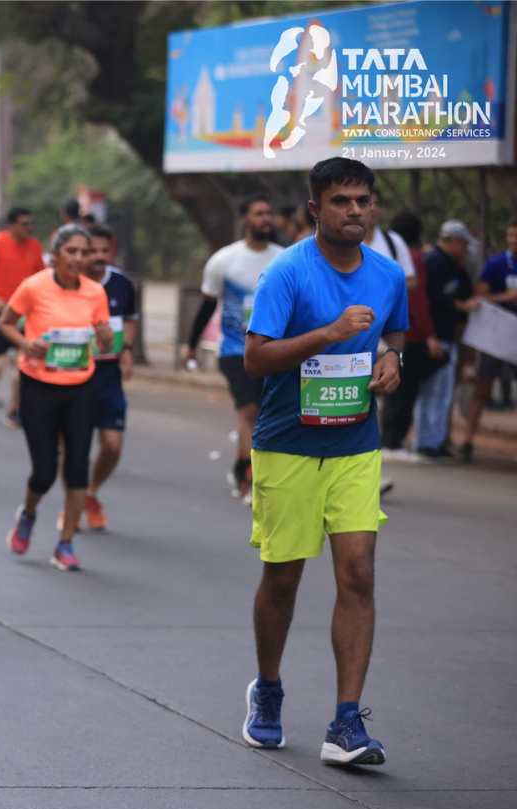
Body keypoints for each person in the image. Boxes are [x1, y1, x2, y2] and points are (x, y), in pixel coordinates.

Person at [241, 157, 406, 767]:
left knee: (358, 573)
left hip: (355, 445)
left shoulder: (388, 275)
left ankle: (345, 722)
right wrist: (329, 334)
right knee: (283, 576)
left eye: (363, 200)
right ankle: (269, 689)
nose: (355, 211)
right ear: (315, 208)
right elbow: (256, 360)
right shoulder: (285, 274)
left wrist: (392, 358)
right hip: (287, 445)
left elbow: (396, 336)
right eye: (341, 201)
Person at [0, 224, 113, 569]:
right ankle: (28, 513)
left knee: (78, 467)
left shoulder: (95, 293)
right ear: (56, 253)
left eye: (85, 252)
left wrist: (106, 336)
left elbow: (105, 343)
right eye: (72, 251)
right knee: (45, 470)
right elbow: (6, 322)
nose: (79, 259)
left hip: (80, 386)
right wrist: (26, 343)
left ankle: (65, 543)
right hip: (39, 386)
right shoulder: (34, 286)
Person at [184, 196, 283, 502]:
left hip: (275, 350)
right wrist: (191, 345)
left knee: (266, 413)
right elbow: (207, 305)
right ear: (245, 219)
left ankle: (244, 464)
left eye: (269, 213)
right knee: (249, 411)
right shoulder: (223, 261)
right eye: (258, 213)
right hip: (234, 350)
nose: (265, 219)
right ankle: (250, 475)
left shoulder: (285, 259)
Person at [82, 224, 137, 531]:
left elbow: (129, 321)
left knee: (113, 445)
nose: (99, 257)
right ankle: (72, 505)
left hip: (108, 375)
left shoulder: (122, 285)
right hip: (73, 375)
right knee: (72, 449)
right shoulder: (68, 284)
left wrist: (126, 349)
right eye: (93, 251)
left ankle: (91, 493)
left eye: (105, 251)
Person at [380, 211, 447, 462]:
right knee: (403, 390)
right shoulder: (414, 259)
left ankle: (391, 440)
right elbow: (417, 300)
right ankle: (393, 441)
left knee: (397, 389)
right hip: (412, 334)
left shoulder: (400, 256)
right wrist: (429, 334)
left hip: (400, 331)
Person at [0, 206, 46, 424]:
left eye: (30, 224)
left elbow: (41, 279)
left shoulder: (35, 246)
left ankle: (14, 410)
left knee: (23, 362)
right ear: (12, 225)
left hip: (25, 315)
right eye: (24, 224)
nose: (29, 228)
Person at [415, 220, 478, 458]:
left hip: (447, 334)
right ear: (451, 240)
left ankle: (437, 440)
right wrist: (459, 305)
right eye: (462, 243)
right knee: (432, 391)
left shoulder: (453, 264)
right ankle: (426, 441)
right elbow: (433, 298)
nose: (464, 249)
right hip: (435, 335)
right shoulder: (434, 262)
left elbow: (465, 290)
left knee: (443, 392)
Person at [459, 217, 517, 463]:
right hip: (496, 334)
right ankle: (468, 440)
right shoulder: (496, 264)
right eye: (511, 236)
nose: (513, 241)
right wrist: (506, 297)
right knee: (482, 388)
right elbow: (480, 294)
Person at [362, 190, 417, 290]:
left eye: (377, 204)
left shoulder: (394, 240)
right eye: (367, 203)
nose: (373, 208)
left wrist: (385, 289)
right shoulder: (345, 242)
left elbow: (411, 281)